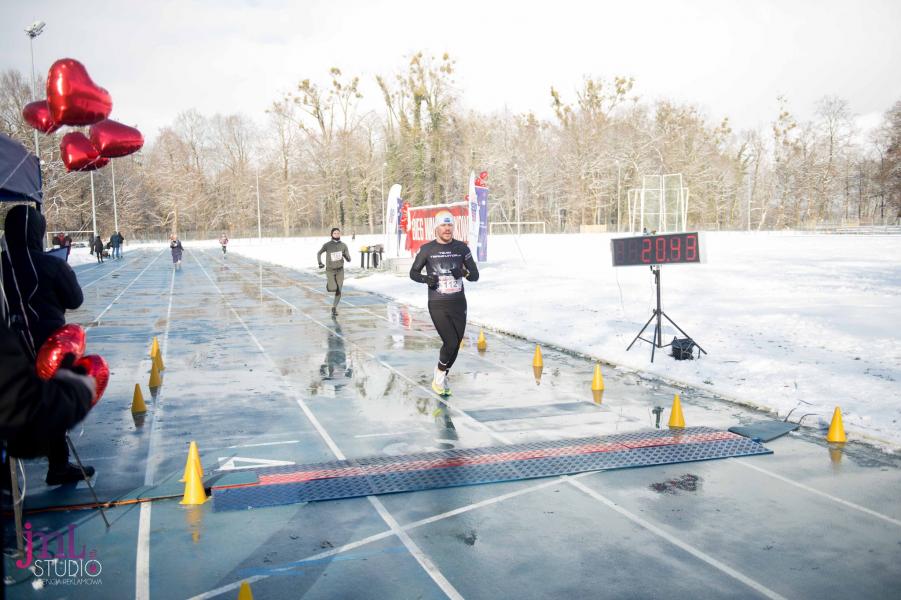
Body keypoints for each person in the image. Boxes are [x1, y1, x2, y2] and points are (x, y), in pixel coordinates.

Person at [1, 204, 95, 484]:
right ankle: (58, 465)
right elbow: (75, 299)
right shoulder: (51, 265)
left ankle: (10, 479)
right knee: (51, 398)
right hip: (46, 345)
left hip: (9, 348)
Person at [409, 210, 479, 396]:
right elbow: (413, 273)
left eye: (450, 225)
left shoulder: (462, 249)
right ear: (436, 228)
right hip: (438, 303)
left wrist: (463, 273)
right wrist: (426, 279)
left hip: (458, 303)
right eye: (443, 225)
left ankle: (443, 374)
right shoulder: (427, 249)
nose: (447, 229)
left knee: (456, 345)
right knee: (449, 342)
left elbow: (475, 276)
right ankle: (439, 376)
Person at [316, 227, 351, 316]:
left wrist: (345, 256)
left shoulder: (343, 245)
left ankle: (334, 308)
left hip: (340, 271)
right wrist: (320, 263)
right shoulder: (327, 245)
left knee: (339, 290)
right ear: (331, 234)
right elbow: (319, 253)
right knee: (333, 288)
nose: (337, 235)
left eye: (338, 233)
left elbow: (349, 259)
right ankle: (330, 285)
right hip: (330, 270)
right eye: (335, 233)